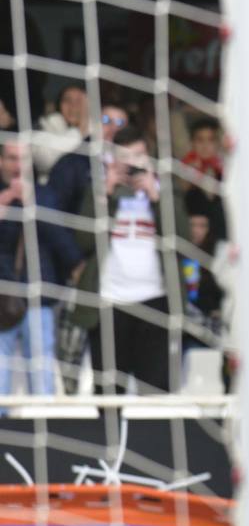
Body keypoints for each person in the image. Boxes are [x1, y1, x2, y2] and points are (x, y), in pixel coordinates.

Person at [76, 126, 187, 395]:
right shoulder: (100, 192)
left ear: (149, 158)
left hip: (156, 302)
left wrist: (155, 196)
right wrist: (107, 193)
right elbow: (83, 241)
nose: (132, 164)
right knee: (109, 393)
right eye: (124, 158)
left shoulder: (166, 191)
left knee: (157, 392)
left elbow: (183, 241)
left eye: (138, 156)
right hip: (109, 303)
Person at [0, 141, 84, 398]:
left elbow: (61, 238)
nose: (17, 165)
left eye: (23, 159)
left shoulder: (45, 194)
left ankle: (45, 425)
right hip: (2, 294)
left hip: (39, 296)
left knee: (41, 370)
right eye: (12, 158)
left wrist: (32, 206)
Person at [32, 84, 88, 179]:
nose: (73, 106)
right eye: (67, 100)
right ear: (59, 105)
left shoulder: (98, 129)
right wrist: (80, 131)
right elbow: (44, 160)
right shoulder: (46, 125)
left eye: (79, 101)